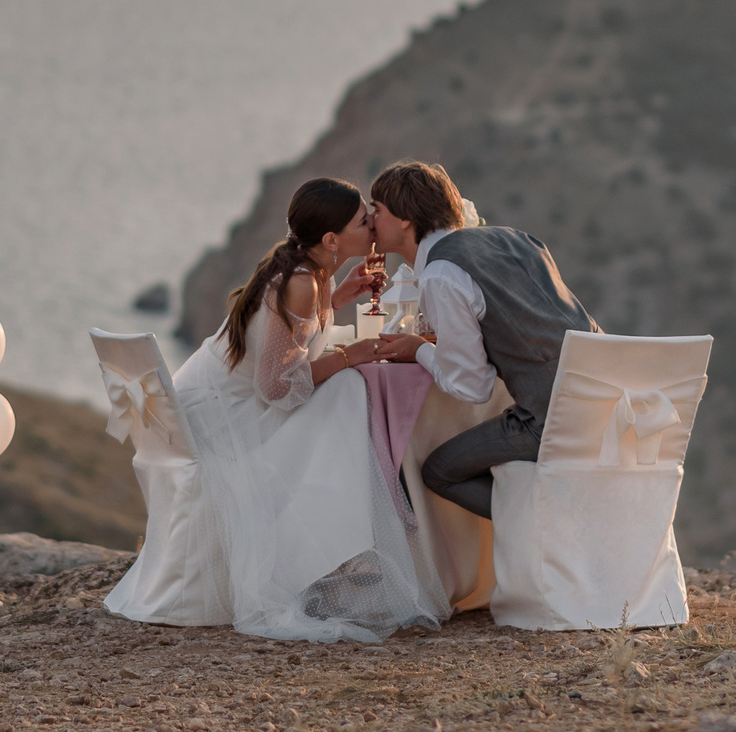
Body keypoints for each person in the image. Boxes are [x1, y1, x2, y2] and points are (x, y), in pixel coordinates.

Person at [169, 177, 447, 641]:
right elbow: (276, 387)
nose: (373, 224)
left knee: (343, 396)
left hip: (227, 400)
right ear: (332, 240)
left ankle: (340, 543)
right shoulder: (300, 281)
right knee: (347, 395)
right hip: (228, 419)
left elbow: (291, 337)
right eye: (363, 220)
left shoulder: (312, 272)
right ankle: (338, 544)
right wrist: (350, 355)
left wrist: (341, 298)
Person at [366, 161, 600, 519]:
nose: (370, 220)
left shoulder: (442, 274)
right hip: (610, 400)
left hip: (555, 419)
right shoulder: (514, 238)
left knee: (439, 471)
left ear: (404, 219)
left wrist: (420, 350)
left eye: (376, 210)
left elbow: (472, 387)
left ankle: (550, 526)